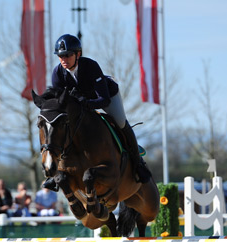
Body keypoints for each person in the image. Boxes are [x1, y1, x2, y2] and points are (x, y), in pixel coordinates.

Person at [41, 33, 151, 191]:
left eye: (68, 55)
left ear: (78, 54)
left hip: (106, 96)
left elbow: (104, 100)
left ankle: (138, 164)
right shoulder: (57, 74)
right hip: (81, 105)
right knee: (62, 129)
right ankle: (57, 173)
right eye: (60, 56)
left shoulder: (90, 66)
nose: (64, 60)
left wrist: (85, 103)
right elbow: (61, 104)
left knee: (120, 122)